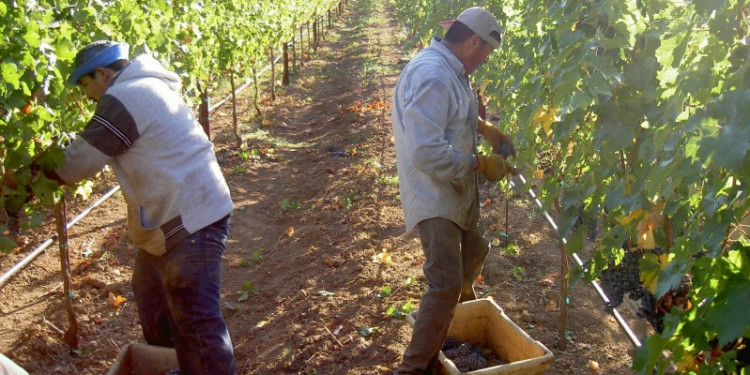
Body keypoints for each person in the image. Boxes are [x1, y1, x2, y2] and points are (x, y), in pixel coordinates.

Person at [44, 40, 236, 374]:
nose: (88, 96)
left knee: (194, 315)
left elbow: (76, 165)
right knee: (151, 297)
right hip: (179, 214)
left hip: (192, 215)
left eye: (86, 84)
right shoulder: (144, 87)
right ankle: (177, 365)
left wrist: (31, 174)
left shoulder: (126, 96)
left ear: (103, 74)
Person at [391, 7, 515, 374]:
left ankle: (448, 327)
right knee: (444, 283)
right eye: (486, 53)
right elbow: (426, 151)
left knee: (475, 249)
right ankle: (414, 369)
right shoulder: (433, 75)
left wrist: (485, 129)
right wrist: (479, 163)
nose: (485, 61)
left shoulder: (450, 70)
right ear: (474, 41)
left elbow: (450, 113)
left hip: (452, 190)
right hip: (433, 193)